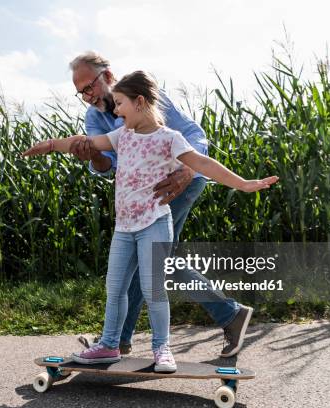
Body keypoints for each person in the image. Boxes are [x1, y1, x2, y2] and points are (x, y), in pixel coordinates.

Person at [22, 70, 278, 372]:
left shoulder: (170, 138)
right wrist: (52, 145)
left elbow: (203, 163)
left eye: (120, 104)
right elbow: (87, 145)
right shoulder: (122, 136)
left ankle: (161, 349)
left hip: (154, 222)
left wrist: (245, 184)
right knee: (114, 287)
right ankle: (109, 345)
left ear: (140, 102)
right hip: (125, 227)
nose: (116, 111)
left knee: (153, 288)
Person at [69, 51, 256, 358]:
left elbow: (194, 134)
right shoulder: (94, 118)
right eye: (81, 93)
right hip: (146, 193)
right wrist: (93, 155)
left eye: (90, 87)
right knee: (154, 261)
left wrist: (189, 169)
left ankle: (117, 340)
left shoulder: (141, 97)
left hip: (178, 182)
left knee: (154, 260)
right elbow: (107, 165)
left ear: (108, 76)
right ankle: (122, 339)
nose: (88, 96)